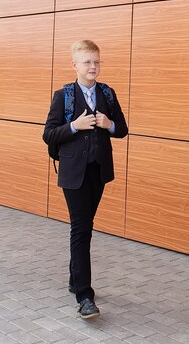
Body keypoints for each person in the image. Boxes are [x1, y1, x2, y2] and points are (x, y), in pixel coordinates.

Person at [43, 40, 128, 318]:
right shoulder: (63, 96)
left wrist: (109, 124)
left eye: (97, 62)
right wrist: (73, 126)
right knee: (80, 229)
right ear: (75, 65)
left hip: (98, 171)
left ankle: (74, 278)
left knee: (85, 226)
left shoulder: (107, 93)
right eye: (87, 62)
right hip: (73, 173)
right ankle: (84, 296)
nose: (93, 67)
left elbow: (123, 129)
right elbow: (49, 134)